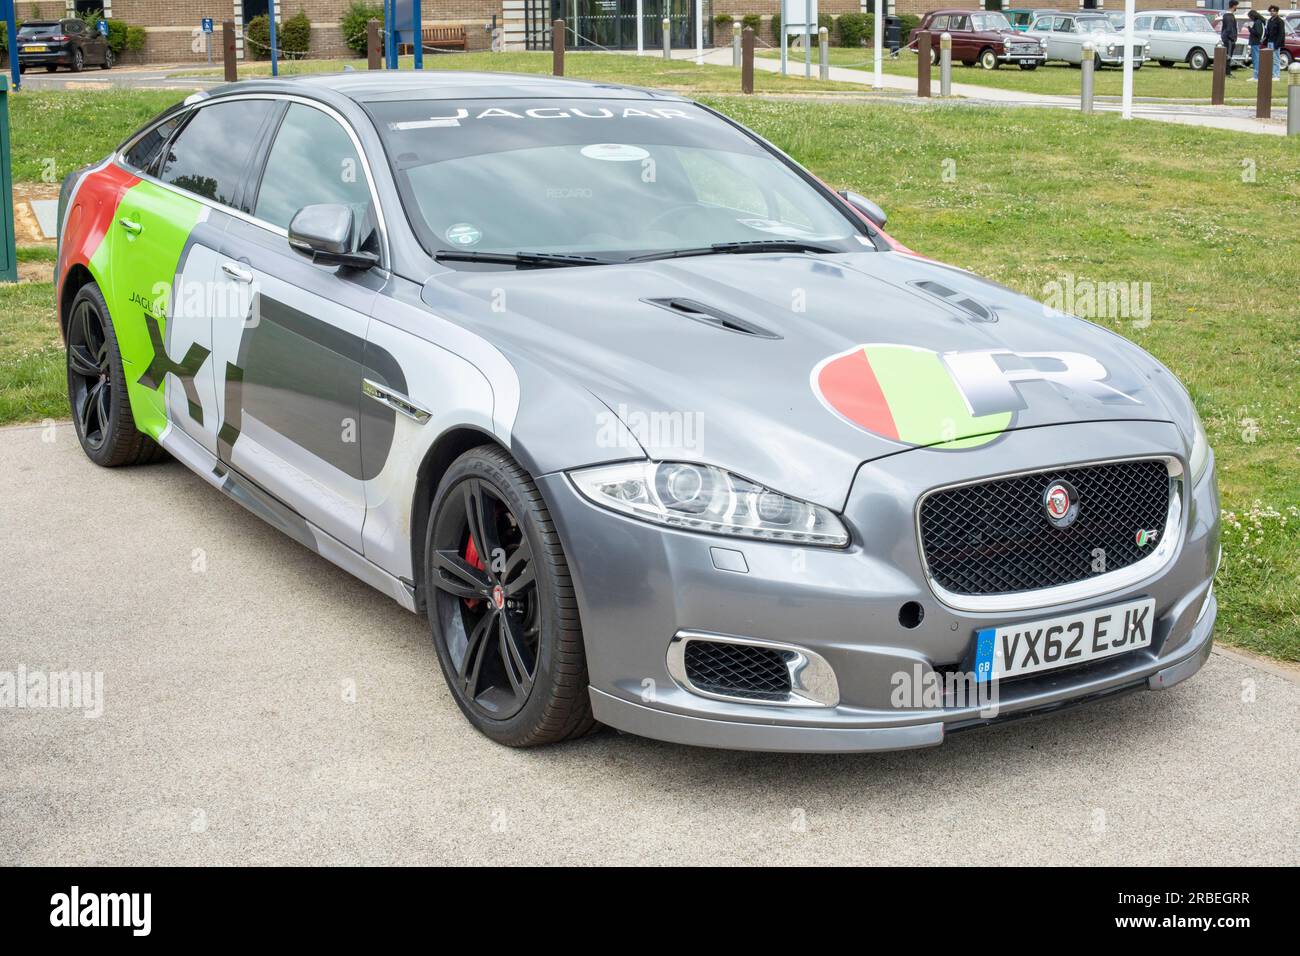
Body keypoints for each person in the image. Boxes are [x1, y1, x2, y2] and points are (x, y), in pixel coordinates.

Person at [1264, 5, 1286, 81]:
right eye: (1271, 11)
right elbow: (1267, 32)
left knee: (1276, 59)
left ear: (1277, 12)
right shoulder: (1270, 20)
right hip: (1269, 42)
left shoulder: (1280, 21)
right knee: (1270, 59)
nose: (1272, 12)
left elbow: (1281, 34)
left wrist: (1277, 44)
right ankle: (1272, 74)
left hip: (1275, 43)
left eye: (1273, 11)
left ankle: (1276, 75)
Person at [1222, 0, 1240, 75]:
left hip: (1227, 38)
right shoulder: (1229, 16)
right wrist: (1232, 38)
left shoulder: (1227, 15)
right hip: (1229, 40)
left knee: (1228, 55)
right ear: (1233, 6)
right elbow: (1229, 29)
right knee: (1228, 56)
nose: (1237, 7)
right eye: (1236, 6)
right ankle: (1227, 72)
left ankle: (1227, 72)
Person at [1247, 9, 1265, 81]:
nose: (1250, 18)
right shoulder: (1260, 22)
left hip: (1255, 42)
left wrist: (1250, 29)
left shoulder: (1257, 22)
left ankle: (1256, 76)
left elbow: (1258, 33)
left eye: (1250, 17)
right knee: (1256, 59)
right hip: (1256, 42)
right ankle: (1256, 75)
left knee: (1256, 59)